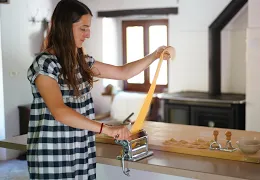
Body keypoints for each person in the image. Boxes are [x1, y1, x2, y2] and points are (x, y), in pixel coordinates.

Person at [26, 0, 170, 179]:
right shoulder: (45, 64)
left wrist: (155, 55)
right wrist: (107, 129)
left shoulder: (82, 63)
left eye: (89, 28)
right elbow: (60, 112)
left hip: (81, 152)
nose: (88, 34)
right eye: (83, 28)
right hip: (54, 156)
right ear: (64, 27)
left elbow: (123, 72)